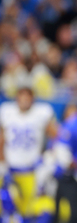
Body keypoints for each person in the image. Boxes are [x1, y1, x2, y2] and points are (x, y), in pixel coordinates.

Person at [0, 87, 57, 223]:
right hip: (11, 170)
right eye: (22, 97)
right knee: (9, 211)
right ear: (16, 99)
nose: (25, 101)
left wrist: (48, 156)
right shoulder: (7, 111)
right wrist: (2, 163)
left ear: (33, 99)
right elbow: (1, 139)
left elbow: (56, 136)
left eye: (28, 97)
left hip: (33, 171)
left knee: (40, 211)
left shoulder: (41, 113)